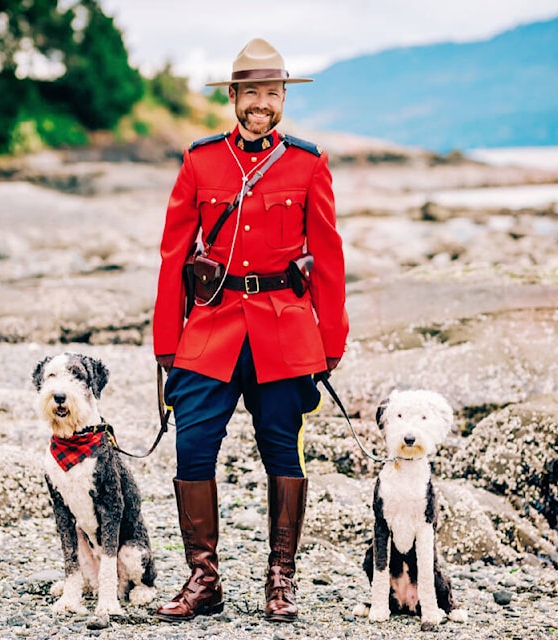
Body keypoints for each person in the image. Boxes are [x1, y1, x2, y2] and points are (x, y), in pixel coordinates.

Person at [151, 37, 349, 623]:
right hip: (210, 328)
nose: (261, 103)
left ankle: (280, 580)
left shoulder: (308, 163)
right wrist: (167, 341)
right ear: (233, 97)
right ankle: (203, 580)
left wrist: (330, 341)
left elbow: (330, 260)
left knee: (283, 453)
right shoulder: (200, 160)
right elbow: (172, 256)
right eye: (251, 92)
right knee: (192, 448)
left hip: (284, 329)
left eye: (272, 92)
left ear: (283, 97)